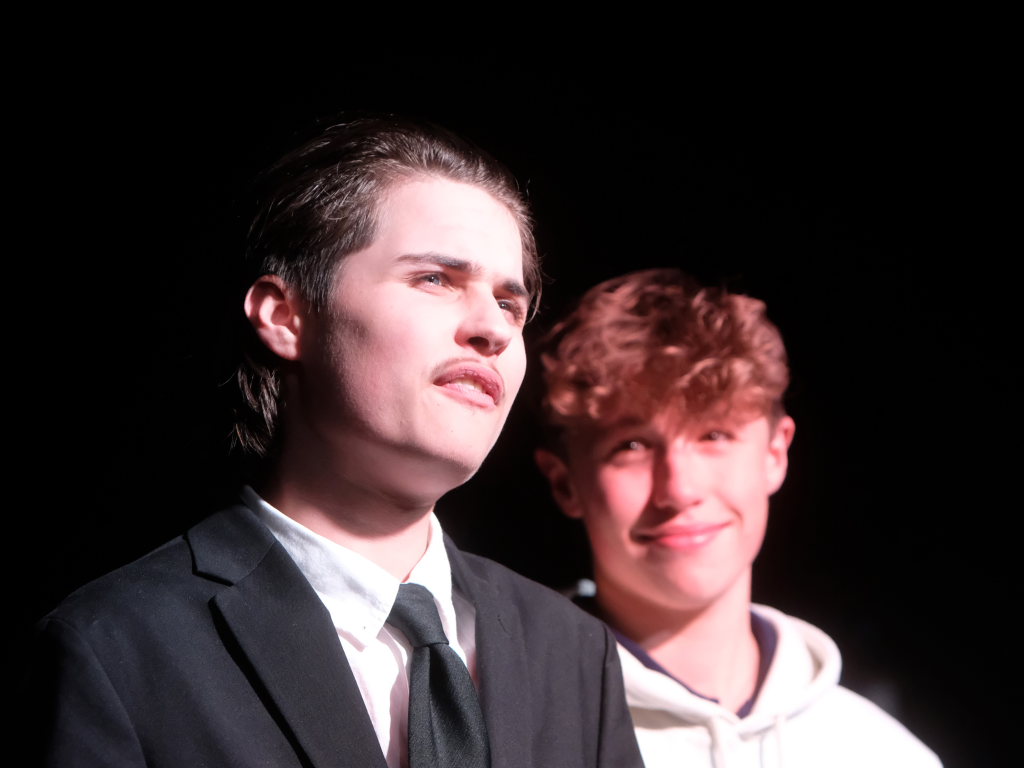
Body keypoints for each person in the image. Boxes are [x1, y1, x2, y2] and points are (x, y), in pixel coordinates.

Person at [26, 115, 644, 768]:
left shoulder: (574, 651)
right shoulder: (118, 649)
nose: (492, 328)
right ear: (285, 316)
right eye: (435, 279)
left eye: (510, 304)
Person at [534, 268, 942, 767]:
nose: (680, 490)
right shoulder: (502, 722)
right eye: (632, 445)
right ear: (565, 483)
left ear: (775, 454)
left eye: (714, 435)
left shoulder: (886, 754)